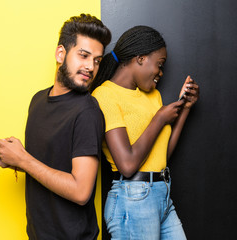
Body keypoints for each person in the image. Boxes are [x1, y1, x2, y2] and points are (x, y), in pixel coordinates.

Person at [0, 14, 111, 239]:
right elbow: (50, 166)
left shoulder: (87, 112)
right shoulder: (38, 100)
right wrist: (13, 160)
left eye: (97, 60)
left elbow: (81, 191)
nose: (90, 67)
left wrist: (23, 159)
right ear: (61, 54)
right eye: (83, 55)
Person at [90, 26, 199, 239]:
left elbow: (162, 155)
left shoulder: (153, 96)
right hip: (132, 198)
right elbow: (128, 165)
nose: (160, 73)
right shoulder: (105, 96)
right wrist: (159, 119)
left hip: (163, 194)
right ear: (140, 58)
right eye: (159, 65)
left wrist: (184, 109)